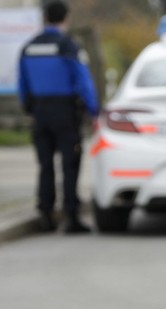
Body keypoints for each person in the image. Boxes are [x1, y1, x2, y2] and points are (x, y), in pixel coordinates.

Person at [17, 0, 99, 234]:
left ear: (45, 18)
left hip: (40, 112)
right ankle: (71, 216)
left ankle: (46, 215)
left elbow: (22, 85)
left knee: (45, 166)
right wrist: (94, 111)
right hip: (65, 112)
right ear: (65, 19)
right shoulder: (67, 46)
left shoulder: (28, 47)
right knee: (70, 164)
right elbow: (83, 82)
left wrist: (31, 109)